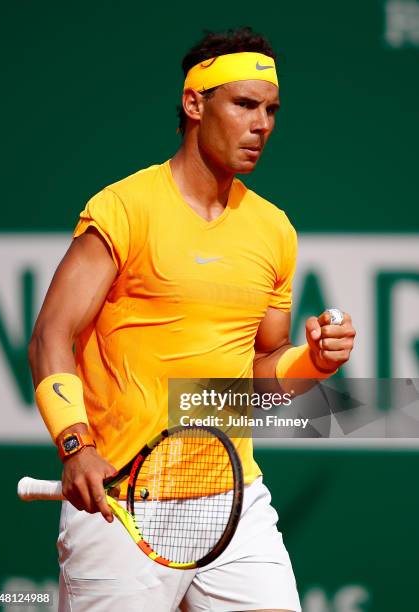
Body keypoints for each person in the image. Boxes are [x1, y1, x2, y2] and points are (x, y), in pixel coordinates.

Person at [28, 27, 356, 612]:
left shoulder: (274, 229)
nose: (263, 125)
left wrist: (316, 361)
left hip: (235, 500)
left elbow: (259, 380)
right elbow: (51, 335)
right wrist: (75, 444)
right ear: (194, 104)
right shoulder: (124, 208)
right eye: (245, 105)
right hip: (124, 502)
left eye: (272, 109)